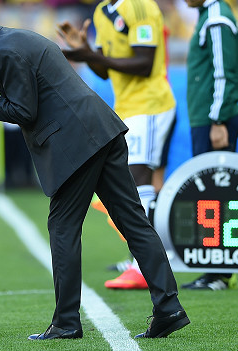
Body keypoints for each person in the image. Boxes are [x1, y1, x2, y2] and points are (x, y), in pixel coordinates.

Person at [0, 0, 189, 340]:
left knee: (63, 227)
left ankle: (66, 322)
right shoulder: (13, 40)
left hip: (78, 143)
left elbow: (24, 112)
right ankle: (169, 307)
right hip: (102, 131)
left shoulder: (6, 50)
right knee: (134, 221)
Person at [57, 0, 176, 290]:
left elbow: (145, 64)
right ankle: (145, 259)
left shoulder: (139, 6)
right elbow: (106, 71)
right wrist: (87, 54)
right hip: (130, 107)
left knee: (138, 181)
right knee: (135, 183)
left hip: (150, 106)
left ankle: (143, 265)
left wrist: (89, 54)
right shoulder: (102, 11)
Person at [181, 0, 238, 290]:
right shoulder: (209, 15)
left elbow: (224, 72)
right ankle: (215, 269)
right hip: (207, 118)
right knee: (211, 196)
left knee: (215, 197)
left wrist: (218, 120)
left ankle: (218, 272)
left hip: (213, 120)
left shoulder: (216, 18)